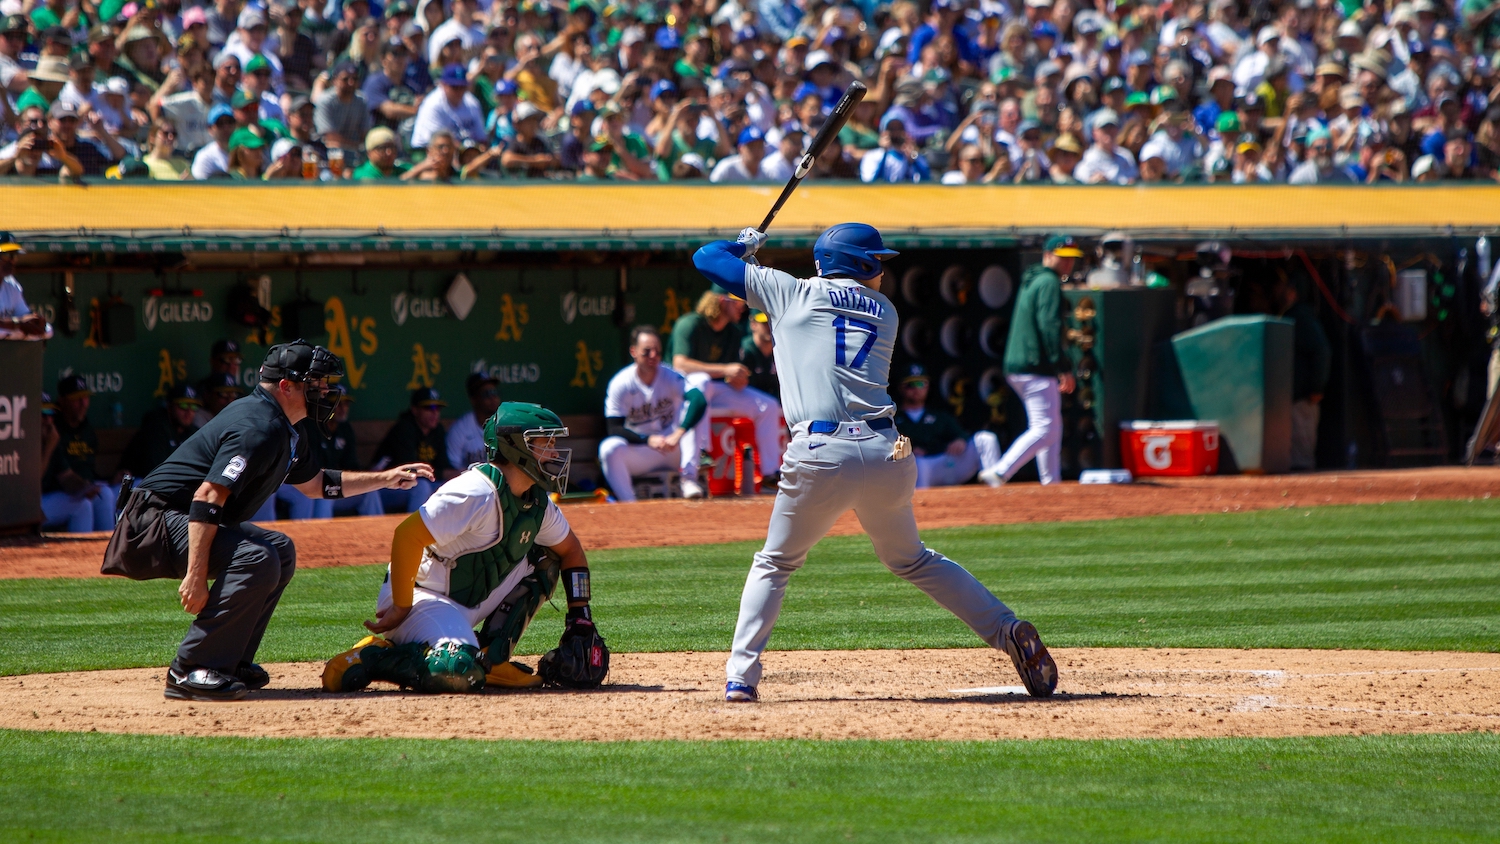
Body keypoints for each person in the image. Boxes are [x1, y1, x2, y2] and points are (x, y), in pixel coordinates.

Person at [692, 223, 1058, 703]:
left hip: (821, 454)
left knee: (775, 563)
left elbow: (707, 258)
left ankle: (741, 679)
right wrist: (757, 269)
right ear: (861, 264)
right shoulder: (884, 311)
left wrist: (746, 245)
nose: (882, 269)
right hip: (888, 454)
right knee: (913, 559)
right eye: (877, 261)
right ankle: (1006, 628)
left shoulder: (792, 291)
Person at [105, 341, 435, 701]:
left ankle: (229, 662)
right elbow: (208, 497)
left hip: (179, 519)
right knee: (256, 557)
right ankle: (190, 670)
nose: (325, 391)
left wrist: (385, 478)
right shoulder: (257, 426)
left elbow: (316, 484)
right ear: (286, 386)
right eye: (317, 383)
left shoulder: (287, 427)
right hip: (149, 524)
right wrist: (195, 576)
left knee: (280, 549)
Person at [321, 402, 609, 695]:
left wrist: (580, 618)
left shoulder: (537, 503)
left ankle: (491, 658)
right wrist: (402, 606)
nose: (554, 452)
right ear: (516, 446)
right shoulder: (474, 490)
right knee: (460, 671)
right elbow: (407, 535)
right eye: (545, 443)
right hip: (421, 597)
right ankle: (373, 657)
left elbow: (571, 551)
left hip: (465, 602)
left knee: (546, 556)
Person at [985, 235, 1082, 487]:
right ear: (1048, 255)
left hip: (1022, 364)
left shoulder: (1034, 279)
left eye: (1071, 259)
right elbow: (1049, 326)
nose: (1068, 264)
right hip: (1034, 365)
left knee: (1052, 427)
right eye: (1063, 258)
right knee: (1046, 428)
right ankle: (1000, 471)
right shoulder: (1048, 282)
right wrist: (1062, 366)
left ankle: (1051, 483)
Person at [671, 287, 785, 495]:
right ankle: (700, 457)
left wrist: (736, 378)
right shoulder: (690, 324)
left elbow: (728, 374)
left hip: (715, 391)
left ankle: (771, 473)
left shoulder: (733, 332)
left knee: (767, 405)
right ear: (722, 301)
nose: (742, 306)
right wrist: (724, 370)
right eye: (737, 301)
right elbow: (680, 364)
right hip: (683, 393)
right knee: (702, 381)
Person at [599, 325, 707, 502]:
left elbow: (699, 400)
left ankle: (688, 479)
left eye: (657, 351)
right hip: (642, 450)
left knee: (693, 419)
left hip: (673, 448)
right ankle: (629, 504)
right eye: (646, 351)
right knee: (608, 448)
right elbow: (614, 428)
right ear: (633, 351)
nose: (653, 356)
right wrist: (646, 440)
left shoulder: (670, 375)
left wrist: (679, 433)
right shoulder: (620, 383)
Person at [275, 384, 386, 518]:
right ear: (324, 404)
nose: (342, 409)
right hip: (303, 483)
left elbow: (351, 465)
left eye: (345, 404)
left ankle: (378, 536)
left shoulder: (345, 429)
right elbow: (311, 470)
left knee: (369, 491)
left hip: (328, 484)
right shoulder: (310, 426)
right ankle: (317, 537)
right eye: (337, 404)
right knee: (324, 492)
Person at [895, 364, 1002, 488]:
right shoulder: (893, 418)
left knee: (986, 438)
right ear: (901, 388)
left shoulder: (938, 416)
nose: (916, 389)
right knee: (918, 463)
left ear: (928, 386)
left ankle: (995, 488)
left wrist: (960, 440)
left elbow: (961, 434)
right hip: (916, 469)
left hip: (944, 463)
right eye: (910, 385)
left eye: (920, 384)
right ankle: (920, 505)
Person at [41, 374, 118, 532]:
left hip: (58, 497)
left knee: (103, 496)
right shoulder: (35, 438)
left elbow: (66, 475)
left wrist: (86, 488)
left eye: (50, 414)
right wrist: (49, 446)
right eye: (42, 414)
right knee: (82, 506)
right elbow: (32, 483)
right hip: (32, 503)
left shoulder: (59, 432)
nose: (48, 420)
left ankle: (103, 551)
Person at [1276, 276, 1331, 471]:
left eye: (1284, 287)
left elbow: (1322, 350)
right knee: (1294, 461)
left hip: (1304, 400)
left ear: (1293, 292)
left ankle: (1310, 500)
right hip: (1293, 399)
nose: (1280, 291)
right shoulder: (1292, 315)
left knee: (1302, 462)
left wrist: (1316, 387)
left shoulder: (1301, 317)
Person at [372, 387, 456, 511]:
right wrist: (444, 473)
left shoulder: (437, 431)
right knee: (421, 486)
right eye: (429, 408)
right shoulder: (404, 429)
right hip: (384, 487)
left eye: (438, 408)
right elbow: (409, 471)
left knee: (450, 487)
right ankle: (414, 530)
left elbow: (443, 464)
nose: (435, 413)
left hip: (411, 485)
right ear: (415, 410)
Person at [118, 384, 202, 481]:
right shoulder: (155, 428)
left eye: (194, 407)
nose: (189, 412)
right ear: (169, 407)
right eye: (183, 405)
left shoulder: (194, 432)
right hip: (139, 483)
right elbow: (156, 471)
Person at [446, 371, 501, 470]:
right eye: (486, 394)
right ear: (474, 399)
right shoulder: (460, 429)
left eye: (494, 392)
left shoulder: (505, 424)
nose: (492, 397)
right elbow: (453, 469)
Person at [0, 233, 47, 337]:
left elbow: (23, 315)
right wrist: (17, 324)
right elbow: (19, 322)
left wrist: (35, 322)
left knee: (48, 330)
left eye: (14, 255)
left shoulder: (11, 285)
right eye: (6, 255)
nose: (12, 261)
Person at [740, 311, 779, 397]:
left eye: (772, 322)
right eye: (765, 323)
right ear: (753, 324)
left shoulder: (780, 352)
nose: (770, 327)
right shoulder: (745, 350)